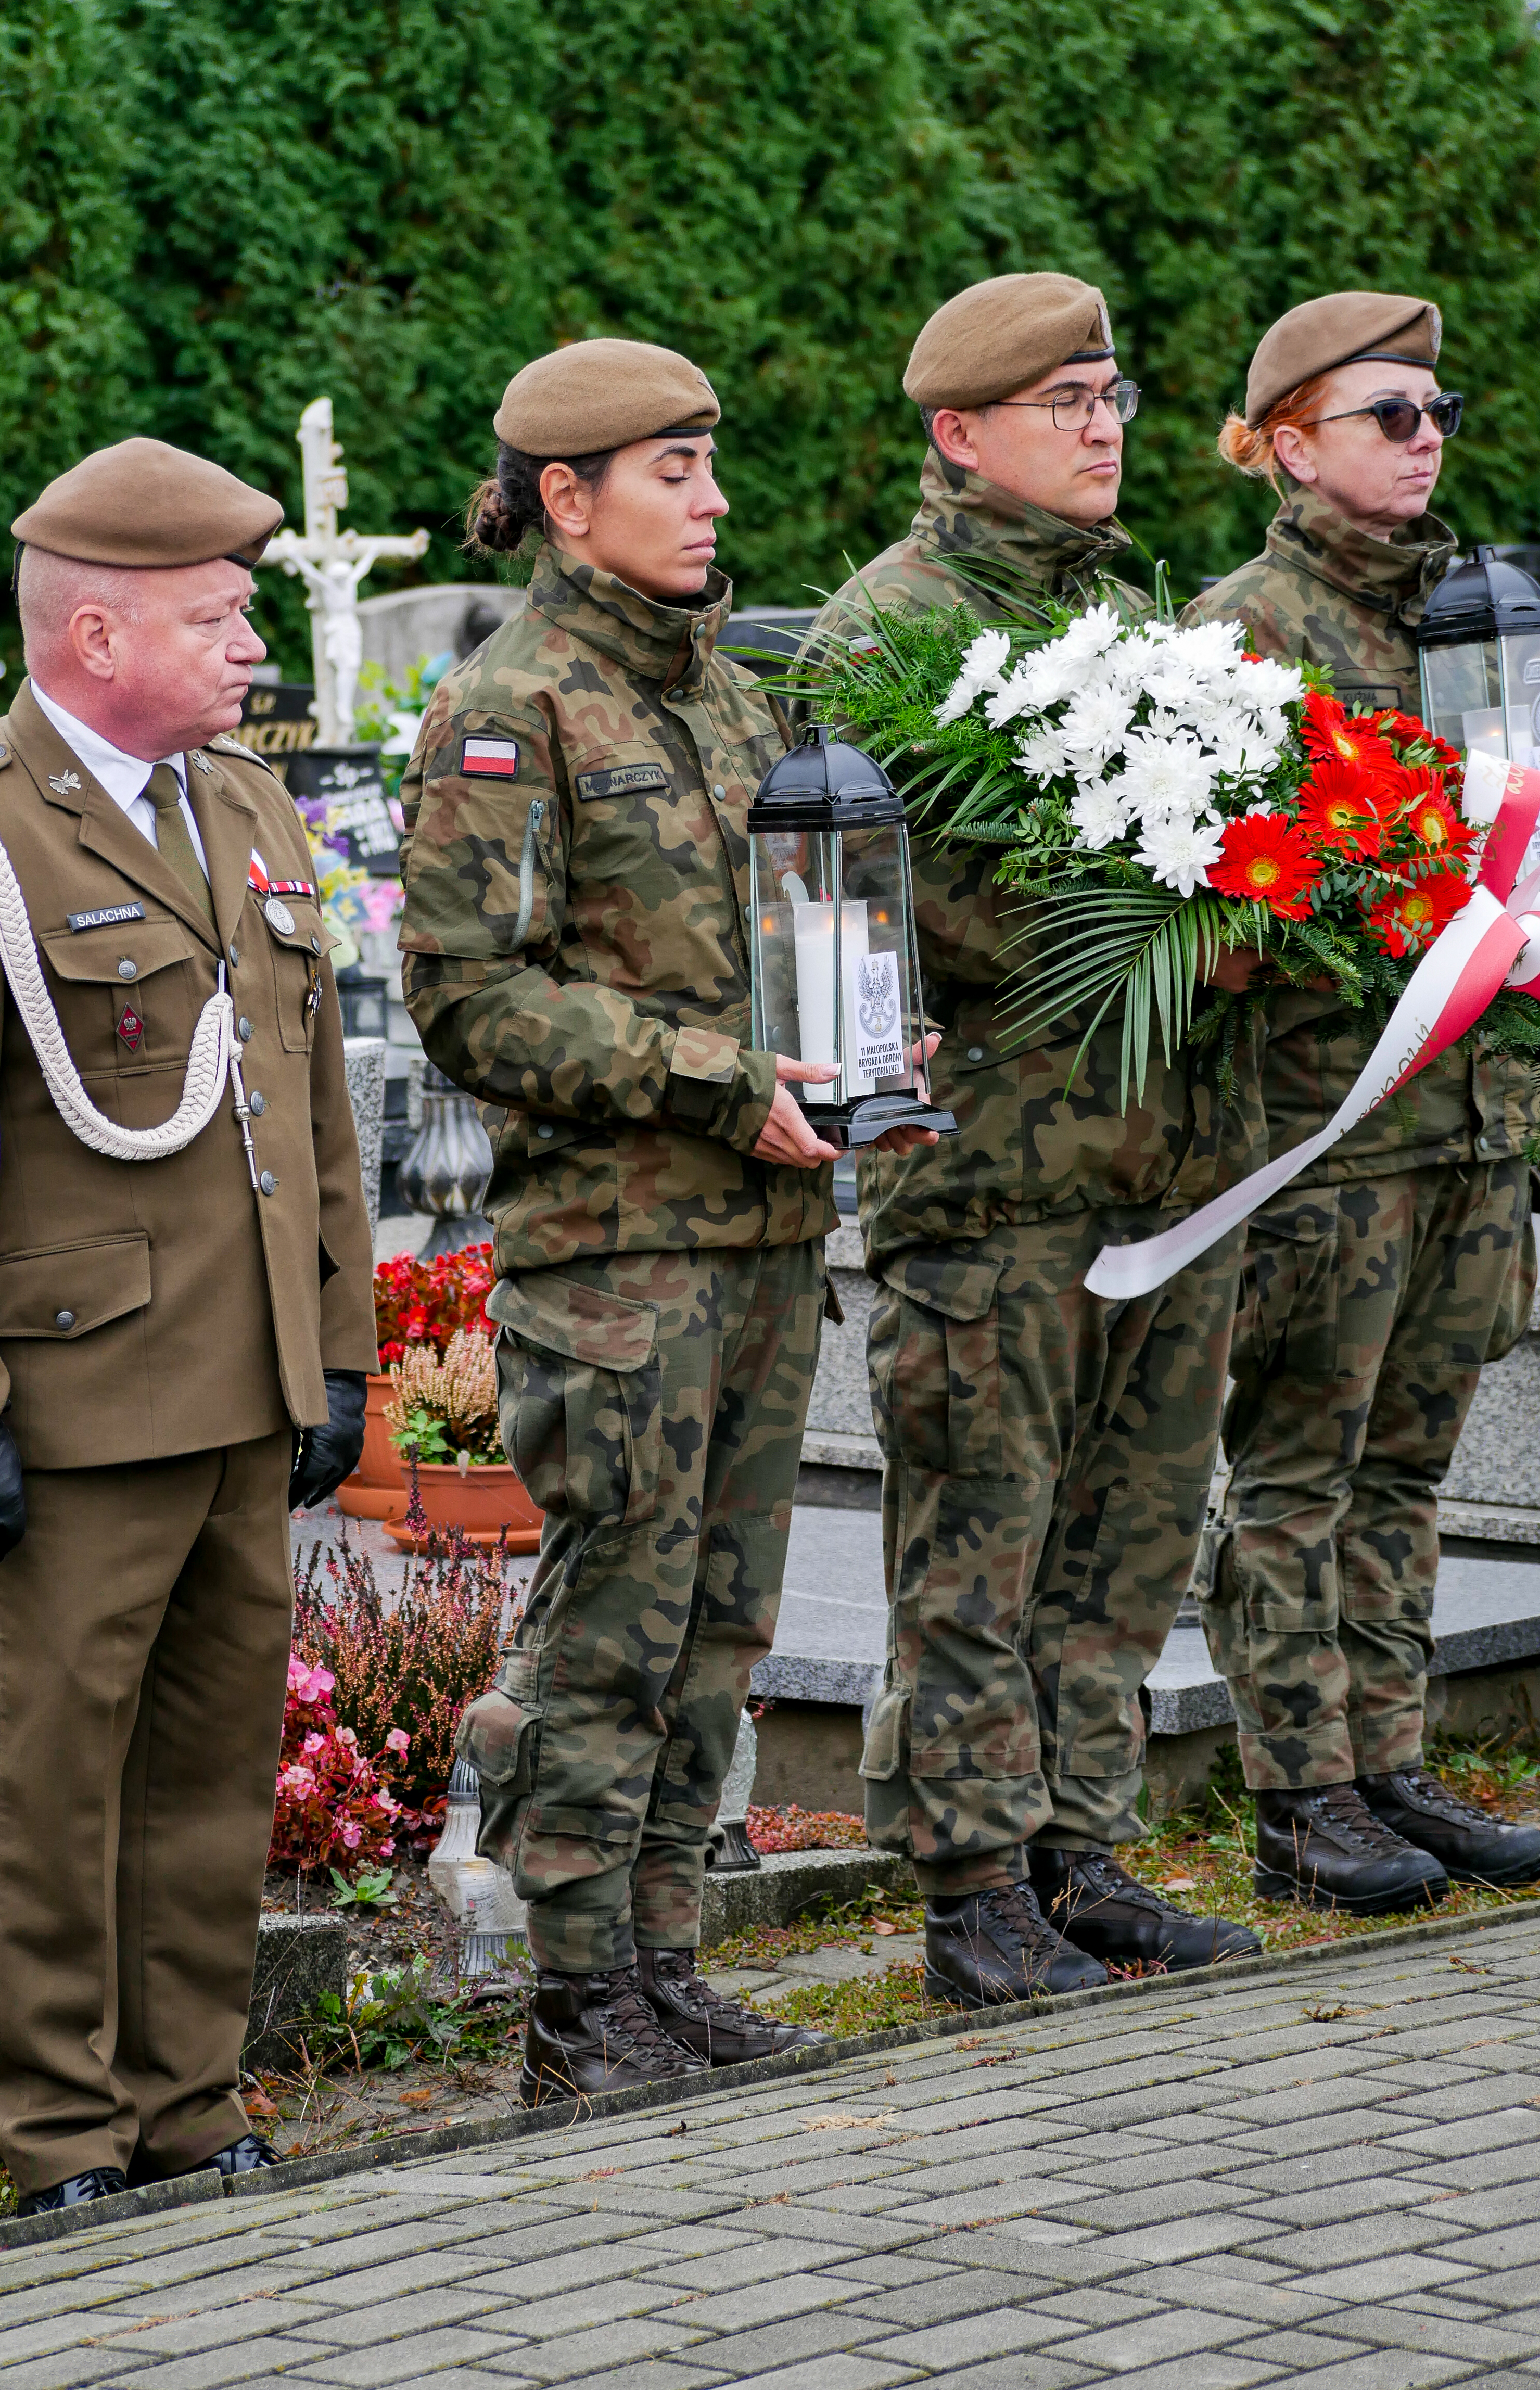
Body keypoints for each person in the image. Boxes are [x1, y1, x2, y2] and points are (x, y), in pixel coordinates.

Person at [0, 438, 376, 2214]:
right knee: (56, 1794)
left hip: (239, 1384)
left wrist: (342, 1347)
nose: (249, 650)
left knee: (215, 1774)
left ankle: (188, 2106)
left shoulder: (249, 810)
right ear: (96, 637)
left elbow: (316, 1110)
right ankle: (61, 2139)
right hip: (68, 1401)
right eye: (216, 618)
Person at [399, 338, 937, 2102]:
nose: (715, 500)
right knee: (613, 1629)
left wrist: (865, 1042)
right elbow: (475, 1002)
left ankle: (663, 1963)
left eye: (713, 464)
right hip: (622, 1257)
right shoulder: (512, 708)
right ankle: (571, 2005)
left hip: (768, 1242)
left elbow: (796, 928)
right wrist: (722, 1074)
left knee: (718, 1625)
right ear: (568, 495)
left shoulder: (725, 692)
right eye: (677, 469)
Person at [808, 273, 1264, 2006]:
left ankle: (1080, 1848)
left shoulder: (1139, 613)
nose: (1103, 427)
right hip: (992, 1179)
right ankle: (971, 1888)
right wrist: (1185, 907)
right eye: (1063, 401)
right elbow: (893, 912)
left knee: (1131, 1536)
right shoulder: (885, 633)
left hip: (1160, 1168)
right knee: (976, 1555)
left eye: (1113, 394)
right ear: (960, 433)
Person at [1183, 291, 1540, 1909]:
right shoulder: (1235, 636)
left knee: (1413, 1469)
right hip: (1331, 1128)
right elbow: (1196, 909)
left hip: (1481, 1118)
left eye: (1437, 412)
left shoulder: (1489, 615)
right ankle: (1299, 1791)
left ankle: (1391, 1764)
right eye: (1386, 416)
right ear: (1282, 442)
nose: (1424, 442)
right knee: (1297, 1475)